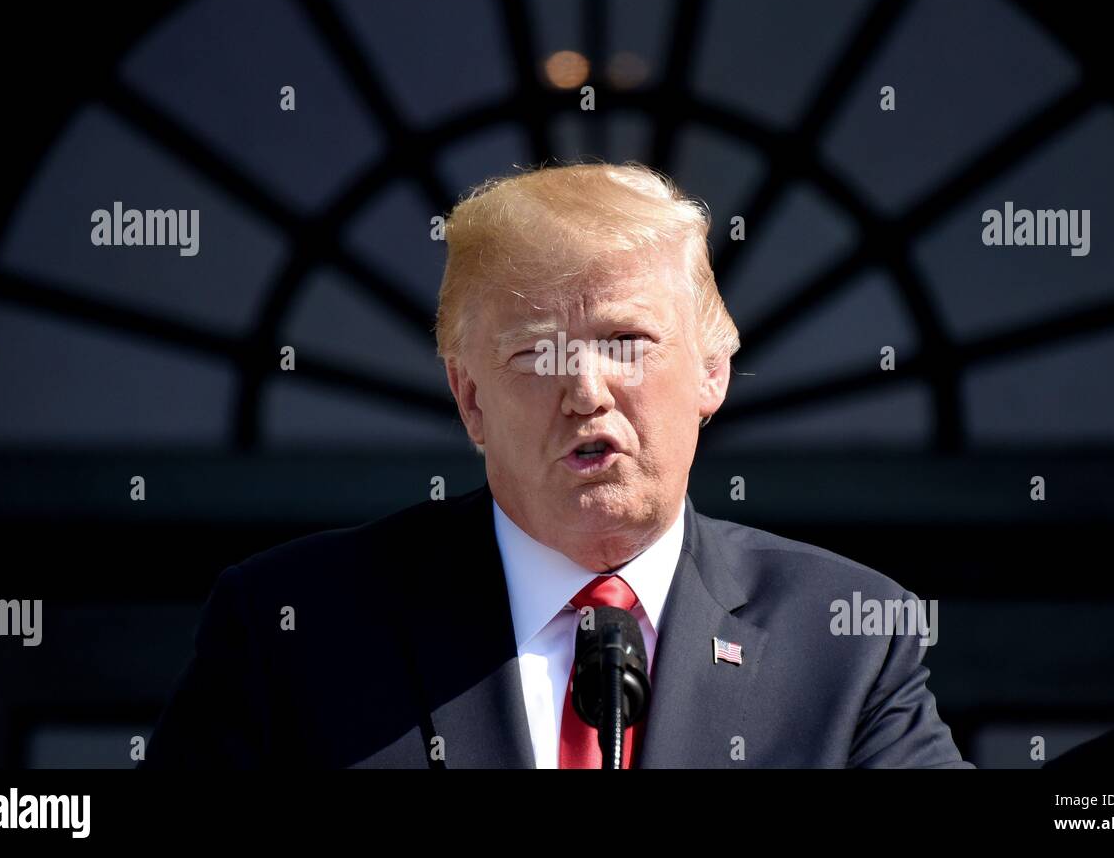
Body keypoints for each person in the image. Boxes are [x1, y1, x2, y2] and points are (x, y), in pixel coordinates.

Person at [144, 162, 971, 769]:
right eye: (538, 353)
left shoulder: (846, 639)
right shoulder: (292, 626)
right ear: (469, 399)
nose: (584, 389)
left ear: (712, 370)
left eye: (626, 343)